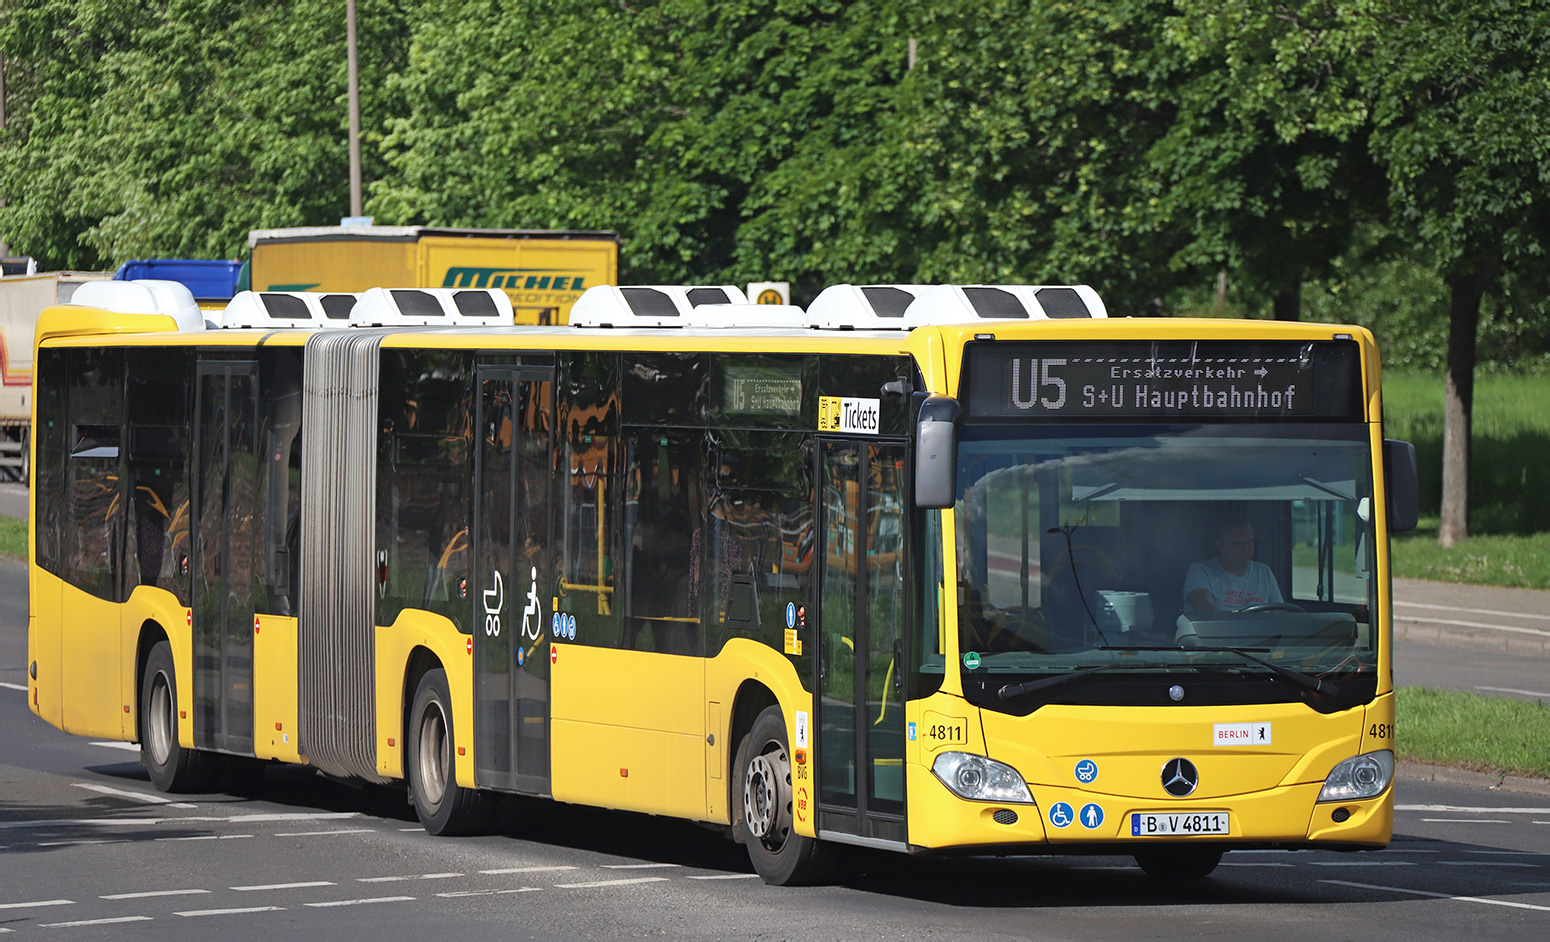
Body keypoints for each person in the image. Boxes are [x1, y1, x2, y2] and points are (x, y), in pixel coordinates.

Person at [1184, 518, 1283, 612]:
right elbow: (1201, 603)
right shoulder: (1201, 570)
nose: (1245, 549)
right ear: (1220, 545)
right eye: (1237, 544)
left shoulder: (1263, 571)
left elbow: (1279, 611)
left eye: (1249, 543)